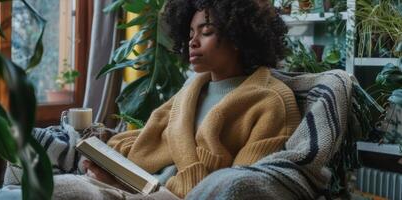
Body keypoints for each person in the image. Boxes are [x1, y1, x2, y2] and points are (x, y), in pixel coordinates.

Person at [71, 0, 302, 199]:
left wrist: (118, 184)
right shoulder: (191, 90)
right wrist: (111, 167)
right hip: (135, 185)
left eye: (206, 31)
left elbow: (238, 186)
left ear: (237, 36)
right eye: (191, 33)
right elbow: (148, 139)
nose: (193, 41)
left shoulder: (270, 101)